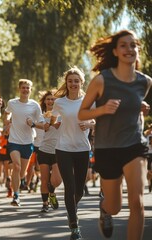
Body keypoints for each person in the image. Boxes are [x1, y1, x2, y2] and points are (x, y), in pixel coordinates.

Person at [78, 29, 151, 240]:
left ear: (138, 49)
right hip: (107, 148)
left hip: (135, 146)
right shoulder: (102, 80)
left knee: (137, 202)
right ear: (116, 52)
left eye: (133, 45)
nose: (129, 49)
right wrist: (102, 109)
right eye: (124, 45)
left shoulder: (144, 82)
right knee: (115, 206)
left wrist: (142, 108)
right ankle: (105, 209)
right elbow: (81, 114)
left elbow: (135, 109)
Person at [48, 67, 94, 239]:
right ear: (66, 83)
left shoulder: (88, 101)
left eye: (76, 81)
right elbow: (53, 117)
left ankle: (71, 209)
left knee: (80, 190)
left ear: (81, 82)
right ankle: (74, 226)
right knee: (70, 186)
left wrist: (89, 124)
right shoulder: (60, 102)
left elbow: (98, 120)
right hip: (63, 148)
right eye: (70, 81)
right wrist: (55, 123)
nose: (73, 84)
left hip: (82, 148)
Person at [3, 79, 44, 207]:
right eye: (23, 87)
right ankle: (16, 195)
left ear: (31, 90)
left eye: (28, 88)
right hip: (14, 140)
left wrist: (33, 123)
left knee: (22, 173)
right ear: (19, 89)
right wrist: (7, 121)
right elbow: (7, 113)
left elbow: (42, 123)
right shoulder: (12, 103)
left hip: (28, 141)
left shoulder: (34, 105)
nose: (25, 90)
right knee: (17, 166)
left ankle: (18, 182)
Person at [36, 90, 62, 213]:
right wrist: (45, 124)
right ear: (44, 101)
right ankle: (45, 204)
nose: (51, 101)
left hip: (59, 150)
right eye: (48, 99)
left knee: (57, 180)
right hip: (44, 150)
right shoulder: (41, 115)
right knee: (44, 179)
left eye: (53, 99)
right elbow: (42, 126)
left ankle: (52, 192)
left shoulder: (62, 114)